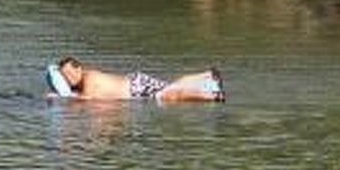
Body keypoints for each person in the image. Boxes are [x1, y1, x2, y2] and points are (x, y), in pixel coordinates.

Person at [54, 56, 225, 104]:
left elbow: (87, 99)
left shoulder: (90, 78)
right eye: (64, 77)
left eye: (69, 74)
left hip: (136, 87)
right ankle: (209, 75)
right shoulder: (80, 84)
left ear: (79, 68)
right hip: (135, 84)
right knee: (172, 87)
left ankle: (214, 96)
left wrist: (60, 98)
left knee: (170, 96)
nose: (67, 79)